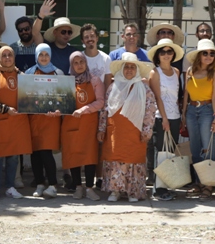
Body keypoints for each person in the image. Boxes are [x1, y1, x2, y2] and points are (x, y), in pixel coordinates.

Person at [99, 52, 157, 202]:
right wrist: (101, 128)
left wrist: (147, 129)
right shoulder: (112, 87)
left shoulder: (144, 89)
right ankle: (115, 191)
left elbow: (150, 110)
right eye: (127, 67)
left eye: (132, 67)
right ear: (121, 69)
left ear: (137, 70)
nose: (129, 70)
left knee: (133, 159)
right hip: (115, 132)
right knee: (115, 159)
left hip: (135, 132)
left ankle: (133, 192)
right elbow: (106, 109)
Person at [0, 46, 32, 200]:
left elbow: (29, 95)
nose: (7, 58)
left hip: (17, 121)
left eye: (9, 55)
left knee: (13, 156)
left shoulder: (21, 75)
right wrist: (5, 109)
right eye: (4, 55)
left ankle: (10, 187)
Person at [182, 39, 215, 201]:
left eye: (212, 53)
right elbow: (186, 94)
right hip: (192, 110)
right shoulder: (190, 71)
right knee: (194, 147)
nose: (208, 56)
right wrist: (184, 114)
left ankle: (208, 184)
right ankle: (199, 182)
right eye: (205, 53)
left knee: (208, 147)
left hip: (207, 110)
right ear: (199, 55)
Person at [62, 52, 105, 200]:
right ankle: (78, 187)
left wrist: (82, 110)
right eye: (76, 63)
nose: (79, 65)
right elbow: (61, 103)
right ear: (71, 65)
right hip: (71, 123)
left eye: (82, 62)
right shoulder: (67, 82)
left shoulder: (95, 80)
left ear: (86, 63)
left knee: (89, 156)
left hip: (89, 125)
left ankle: (89, 188)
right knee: (73, 155)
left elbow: (100, 102)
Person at [147, 38, 184, 201]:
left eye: (169, 51)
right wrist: (164, 118)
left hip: (175, 116)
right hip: (161, 117)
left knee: (170, 152)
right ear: (158, 55)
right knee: (161, 152)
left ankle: (165, 185)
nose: (166, 55)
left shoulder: (176, 72)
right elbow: (158, 97)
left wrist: (179, 116)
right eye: (163, 52)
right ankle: (158, 189)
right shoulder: (155, 73)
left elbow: (177, 97)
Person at [25, 43, 65, 198]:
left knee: (46, 151)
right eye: (40, 54)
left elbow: (63, 97)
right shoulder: (29, 73)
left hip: (51, 120)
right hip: (34, 119)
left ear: (50, 56)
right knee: (35, 152)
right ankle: (40, 184)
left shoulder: (58, 73)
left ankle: (53, 184)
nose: (43, 57)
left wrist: (58, 110)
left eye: (46, 55)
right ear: (36, 56)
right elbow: (24, 95)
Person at [32, 0, 81, 73]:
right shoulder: (47, 48)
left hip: (67, 84)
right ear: (55, 32)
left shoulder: (74, 52)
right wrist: (41, 16)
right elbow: (35, 33)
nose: (66, 35)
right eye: (63, 32)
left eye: (69, 32)